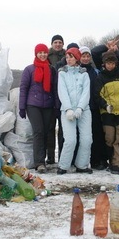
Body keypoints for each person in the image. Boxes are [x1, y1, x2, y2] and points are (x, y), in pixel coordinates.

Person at [19, 43, 59, 173]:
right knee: (38, 131)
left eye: (45, 52)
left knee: (47, 132)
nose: (42, 55)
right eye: (40, 52)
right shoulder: (29, 69)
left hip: (48, 105)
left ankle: (46, 159)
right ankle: (39, 162)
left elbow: (55, 89)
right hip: (33, 105)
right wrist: (22, 107)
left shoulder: (52, 70)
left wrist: (56, 106)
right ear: (36, 54)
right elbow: (23, 88)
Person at [94, 50, 119, 175]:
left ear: (115, 64)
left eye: (112, 63)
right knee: (110, 138)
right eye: (108, 63)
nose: (110, 65)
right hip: (107, 112)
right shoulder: (100, 77)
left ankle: (117, 162)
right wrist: (105, 106)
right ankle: (110, 160)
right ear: (104, 64)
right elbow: (97, 95)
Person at [56, 47, 93, 175]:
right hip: (67, 111)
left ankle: (82, 165)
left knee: (87, 139)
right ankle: (63, 165)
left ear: (77, 58)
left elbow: (86, 93)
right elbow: (62, 91)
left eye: (71, 57)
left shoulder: (84, 74)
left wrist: (80, 108)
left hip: (84, 110)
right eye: (67, 57)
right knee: (70, 140)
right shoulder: (62, 73)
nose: (68, 59)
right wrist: (68, 109)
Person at [80, 46, 110, 170]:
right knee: (83, 136)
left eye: (88, 56)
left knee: (97, 134)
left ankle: (96, 161)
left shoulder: (95, 71)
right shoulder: (77, 71)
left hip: (94, 106)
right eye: (83, 56)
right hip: (81, 107)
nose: (86, 58)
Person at [46, 34, 66, 164]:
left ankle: (63, 156)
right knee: (50, 129)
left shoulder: (67, 55)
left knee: (63, 129)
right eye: (55, 42)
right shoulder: (46, 56)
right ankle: (50, 157)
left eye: (60, 42)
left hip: (63, 97)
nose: (58, 44)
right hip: (50, 96)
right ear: (52, 44)